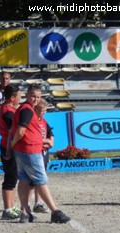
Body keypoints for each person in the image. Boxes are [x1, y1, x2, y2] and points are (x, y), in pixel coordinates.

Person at [10, 84, 71, 224]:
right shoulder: (27, 110)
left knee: (24, 179)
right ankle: (55, 211)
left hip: (24, 149)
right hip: (29, 149)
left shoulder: (26, 109)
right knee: (41, 180)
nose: (35, 99)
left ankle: (25, 213)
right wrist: (13, 144)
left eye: (38, 97)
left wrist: (14, 146)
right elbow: (21, 130)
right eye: (33, 96)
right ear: (27, 95)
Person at [0, 84, 22, 220]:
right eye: (19, 95)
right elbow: (10, 132)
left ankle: (11, 207)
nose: (20, 98)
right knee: (10, 178)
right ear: (12, 97)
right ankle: (7, 209)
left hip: (11, 147)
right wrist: (8, 150)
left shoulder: (9, 109)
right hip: (9, 147)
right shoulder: (8, 111)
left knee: (13, 178)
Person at [32, 99, 54, 214]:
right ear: (36, 110)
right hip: (36, 151)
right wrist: (44, 141)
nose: (44, 113)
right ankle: (25, 206)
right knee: (35, 179)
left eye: (45, 111)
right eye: (42, 111)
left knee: (42, 177)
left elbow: (50, 133)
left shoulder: (44, 121)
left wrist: (51, 141)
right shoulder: (33, 121)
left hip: (44, 152)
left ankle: (38, 203)